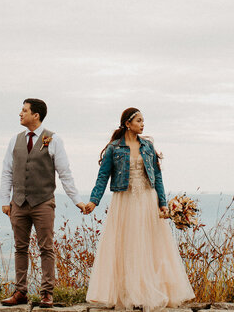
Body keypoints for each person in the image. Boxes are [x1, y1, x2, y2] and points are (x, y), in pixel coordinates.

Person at [83, 107, 195, 311]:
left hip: (147, 199)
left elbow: (158, 176)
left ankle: (148, 292)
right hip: (124, 200)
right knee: (127, 245)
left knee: (149, 246)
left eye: (144, 120)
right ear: (127, 123)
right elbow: (102, 176)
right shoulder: (114, 148)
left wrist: (162, 202)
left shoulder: (148, 146)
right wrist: (93, 201)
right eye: (139, 121)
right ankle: (129, 293)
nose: (143, 124)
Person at [0, 98, 86, 307]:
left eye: (24, 110)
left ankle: (47, 293)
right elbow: (7, 171)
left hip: (43, 202)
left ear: (35, 115)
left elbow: (65, 173)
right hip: (18, 203)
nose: (20, 114)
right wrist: (5, 200)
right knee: (20, 248)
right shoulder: (15, 140)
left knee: (46, 248)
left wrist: (77, 201)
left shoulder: (54, 140)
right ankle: (21, 292)